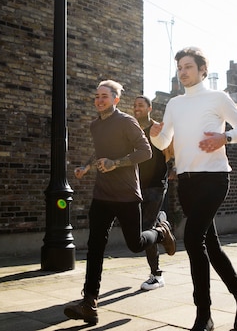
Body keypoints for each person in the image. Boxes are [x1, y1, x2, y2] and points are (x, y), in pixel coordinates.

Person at [150, 47, 237, 331]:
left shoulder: (218, 98)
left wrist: (225, 137)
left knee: (193, 239)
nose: (182, 71)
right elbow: (164, 144)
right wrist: (155, 135)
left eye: (188, 66)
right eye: (179, 68)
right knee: (211, 245)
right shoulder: (174, 104)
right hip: (186, 183)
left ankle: (203, 315)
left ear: (202, 70)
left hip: (214, 179)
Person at [64, 80, 176, 325]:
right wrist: (87, 166)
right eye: (97, 96)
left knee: (135, 244)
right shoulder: (95, 125)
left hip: (126, 193)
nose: (99, 100)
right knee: (95, 247)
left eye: (104, 96)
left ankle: (160, 231)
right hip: (102, 193)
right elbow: (99, 151)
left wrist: (117, 163)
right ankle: (90, 302)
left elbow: (145, 152)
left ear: (115, 99)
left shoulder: (126, 121)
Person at [133, 95, 174, 291]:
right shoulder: (133, 131)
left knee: (145, 228)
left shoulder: (157, 129)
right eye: (134, 105)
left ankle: (156, 275)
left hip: (157, 185)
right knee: (138, 228)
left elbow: (170, 149)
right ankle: (163, 225)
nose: (136, 108)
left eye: (140, 105)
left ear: (149, 108)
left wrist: (173, 169)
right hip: (137, 186)